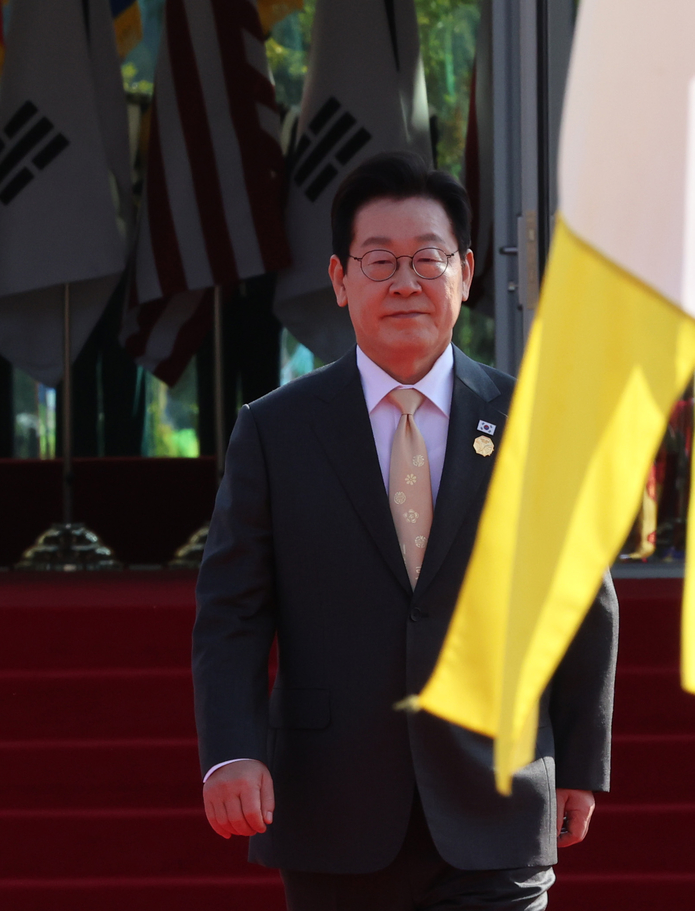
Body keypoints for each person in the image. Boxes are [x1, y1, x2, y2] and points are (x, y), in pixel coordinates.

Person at [192, 151, 617, 911]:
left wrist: (581, 759)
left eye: (427, 258)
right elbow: (232, 612)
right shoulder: (275, 431)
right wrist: (232, 751)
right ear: (338, 278)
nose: (405, 282)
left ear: (466, 272)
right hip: (333, 806)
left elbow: (581, 599)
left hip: (498, 794)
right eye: (379, 260)